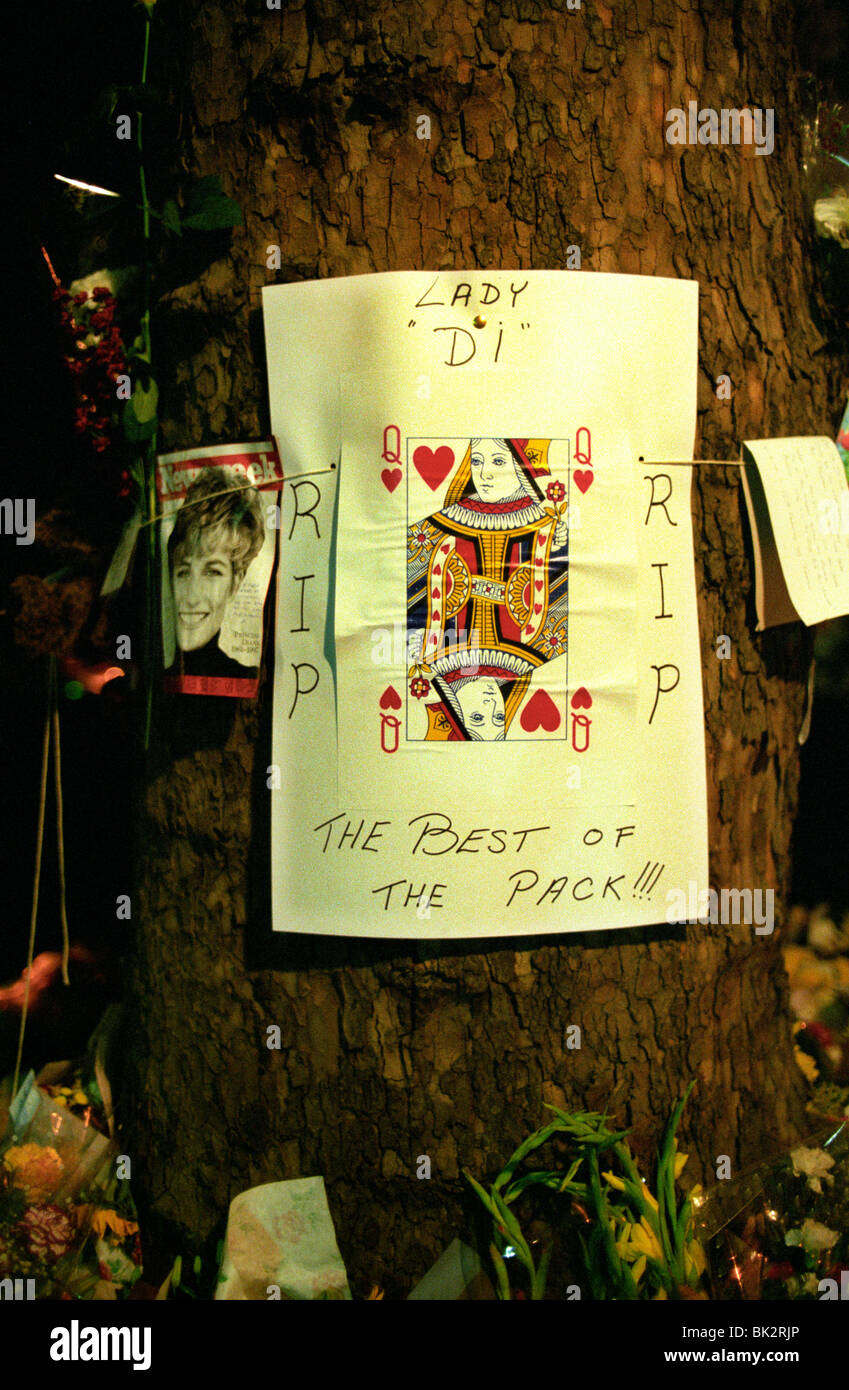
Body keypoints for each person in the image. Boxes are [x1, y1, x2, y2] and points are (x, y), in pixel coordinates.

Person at [407, 437, 569, 740]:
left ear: (519, 469)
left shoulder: (551, 527)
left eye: (497, 461)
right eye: (477, 461)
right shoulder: (438, 524)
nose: (484, 474)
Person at [166, 467, 265, 680]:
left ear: (236, 582)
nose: (192, 597)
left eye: (212, 572)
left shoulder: (247, 678)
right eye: (183, 572)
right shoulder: (147, 676)